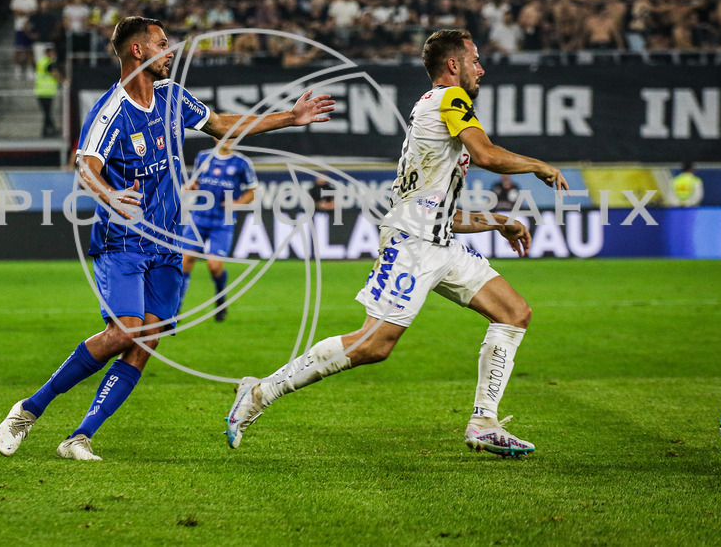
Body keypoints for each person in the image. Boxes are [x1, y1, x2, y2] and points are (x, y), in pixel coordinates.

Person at [0, 16, 334, 461]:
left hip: (169, 241)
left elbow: (220, 124)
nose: (170, 50)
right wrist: (111, 194)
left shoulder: (173, 97)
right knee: (124, 333)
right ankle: (28, 410)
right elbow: (85, 166)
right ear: (139, 51)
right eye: (163, 43)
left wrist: (289, 117)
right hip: (123, 240)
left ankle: (80, 436)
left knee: (146, 341)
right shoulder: (111, 110)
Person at [225, 29, 569, 457]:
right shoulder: (450, 99)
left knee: (514, 312)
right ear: (453, 65)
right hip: (412, 243)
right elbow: (486, 156)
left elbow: (435, 209)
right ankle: (259, 393)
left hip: (436, 240)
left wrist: (499, 222)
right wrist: (538, 165)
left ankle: (484, 422)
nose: (482, 68)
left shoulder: (433, 109)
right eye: (475, 60)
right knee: (374, 344)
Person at [178, 138, 259, 322]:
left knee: (214, 266)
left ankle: (220, 297)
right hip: (199, 216)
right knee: (184, 261)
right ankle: (176, 310)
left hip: (222, 220)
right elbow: (197, 181)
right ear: (216, 136)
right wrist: (192, 187)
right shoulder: (203, 157)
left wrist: (237, 203)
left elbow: (252, 191)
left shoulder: (242, 162)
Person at [34, 44, 66, 137]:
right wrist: (64, 81)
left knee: (46, 113)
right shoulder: (48, 63)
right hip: (47, 91)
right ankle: (50, 130)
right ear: (48, 52)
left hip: (41, 91)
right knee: (47, 113)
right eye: (52, 52)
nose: (54, 54)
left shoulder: (41, 61)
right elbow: (54, 74)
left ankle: (45, 132)